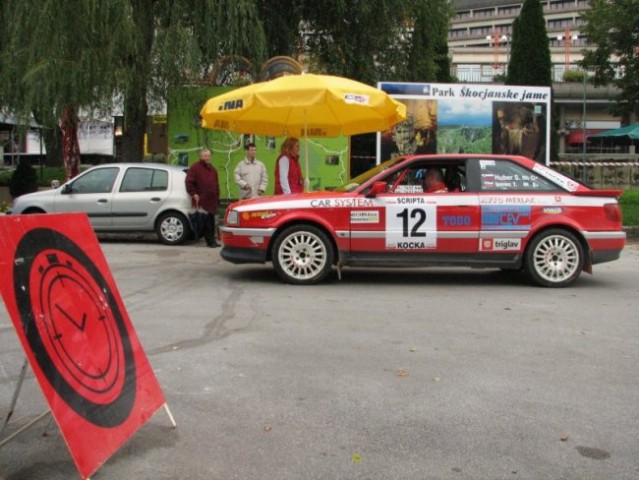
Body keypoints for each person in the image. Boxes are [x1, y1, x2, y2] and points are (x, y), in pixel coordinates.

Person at [185, 149, 220, 247]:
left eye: (209, 156)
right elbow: (189, 182)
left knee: (212, 222)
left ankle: (212, 240)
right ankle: (210, 242)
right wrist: (194, 194)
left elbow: (216, 184)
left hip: (212, 200)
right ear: (201, 157)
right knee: (206, 222)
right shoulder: (195, 167)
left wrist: (217, 196)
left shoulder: (213, 169)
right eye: (205, 156)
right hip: (201, 200)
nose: (207, 158)